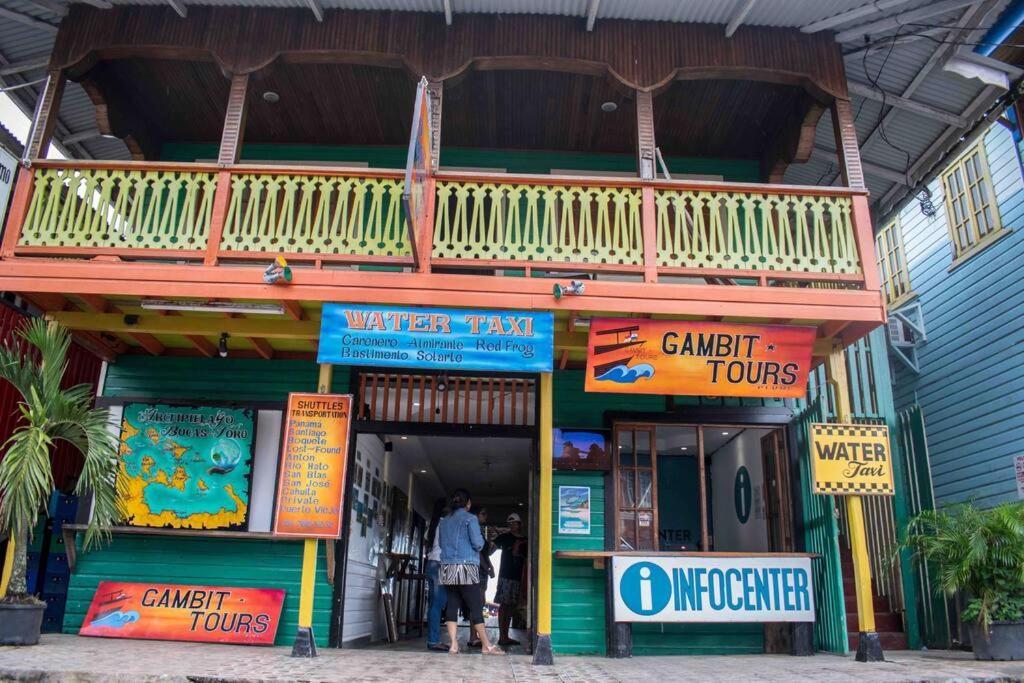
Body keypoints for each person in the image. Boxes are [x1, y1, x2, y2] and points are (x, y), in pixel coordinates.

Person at [437, 488, 503, 655]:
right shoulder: (470, 518)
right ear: (468, 503)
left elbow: (441, 543)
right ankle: (487, 645)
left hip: (447, 566)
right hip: (466, 566)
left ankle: (453, 645)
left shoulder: (444, 521)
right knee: (475, 606)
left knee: (452, 604)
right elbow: (478, 544)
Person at [491, 512, 527, 646]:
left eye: (515, 523)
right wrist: (488, 566)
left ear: (520, 524)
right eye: (510, 524)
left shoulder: (526, 540)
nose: (512, 526)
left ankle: (506, 636)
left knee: (512, 605)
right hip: (505, 576)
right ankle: (502, 636)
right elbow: (489, 550)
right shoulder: (504, 537)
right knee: (504, 605)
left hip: (519, 576)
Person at [466, 506, 495, 648]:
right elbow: (477, 553)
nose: (485, 516)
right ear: (475, 515)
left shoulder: (480, 532)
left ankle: (475, 635)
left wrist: (490, 566)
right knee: (476, 603)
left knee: (480, 602)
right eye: (483, 514)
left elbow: (484, 553)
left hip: (482, 571)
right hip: (477, 570)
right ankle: (473, 636)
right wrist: (486, 567)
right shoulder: (473, 531)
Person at [424, 498, 449, 652]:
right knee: (438, 604)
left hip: (431, 564)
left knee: (433, 604)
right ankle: (434, 641)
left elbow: (428, 542)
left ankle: (432, 639)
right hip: (441, 565)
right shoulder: (446, 523)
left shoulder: (433, 524)